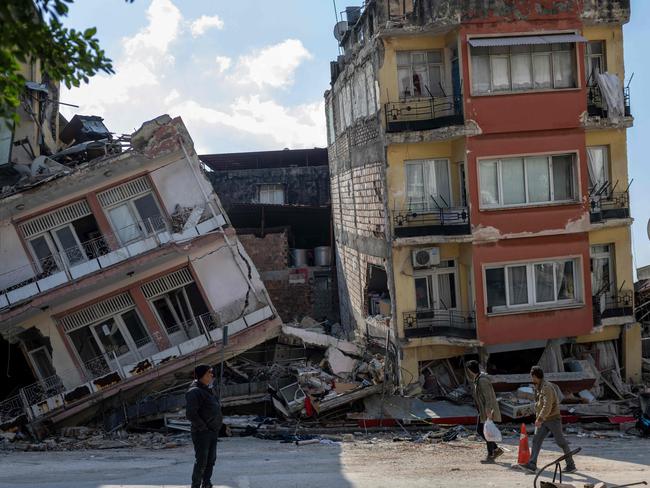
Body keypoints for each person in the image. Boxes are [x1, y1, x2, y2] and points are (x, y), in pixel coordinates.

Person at [522, 366, 577, 474]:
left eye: (532, 377)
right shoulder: (539, 387)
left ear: (535, 376)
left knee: (561, 442)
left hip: (552, 419)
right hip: (544, 420)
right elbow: (540, 404)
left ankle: (571, 465)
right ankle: (532, 464)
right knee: (536, 440)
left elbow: (547, 405)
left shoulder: (546, 387)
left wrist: (540, 418)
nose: (531, 379)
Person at [186, 364, 223, 488]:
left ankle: (206, 483)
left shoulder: (207, 389)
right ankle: (196, 485)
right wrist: (203, 427)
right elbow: (191, 414)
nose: (212, 374)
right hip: (202, 433)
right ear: (201, 375)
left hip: (212, 431)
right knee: (202, 461)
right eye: (209, 372)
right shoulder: (194, 391)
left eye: (212, 372)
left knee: (211, 460)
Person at [466, 360, 503, 463]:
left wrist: (488, 412)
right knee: (482, 430)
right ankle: (495, 450)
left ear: (470, 370)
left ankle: (491, 454)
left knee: (486, 431)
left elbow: (488, 398)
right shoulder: (478, 378)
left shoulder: (482, 380)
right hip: (483, 410)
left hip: (487, 410)